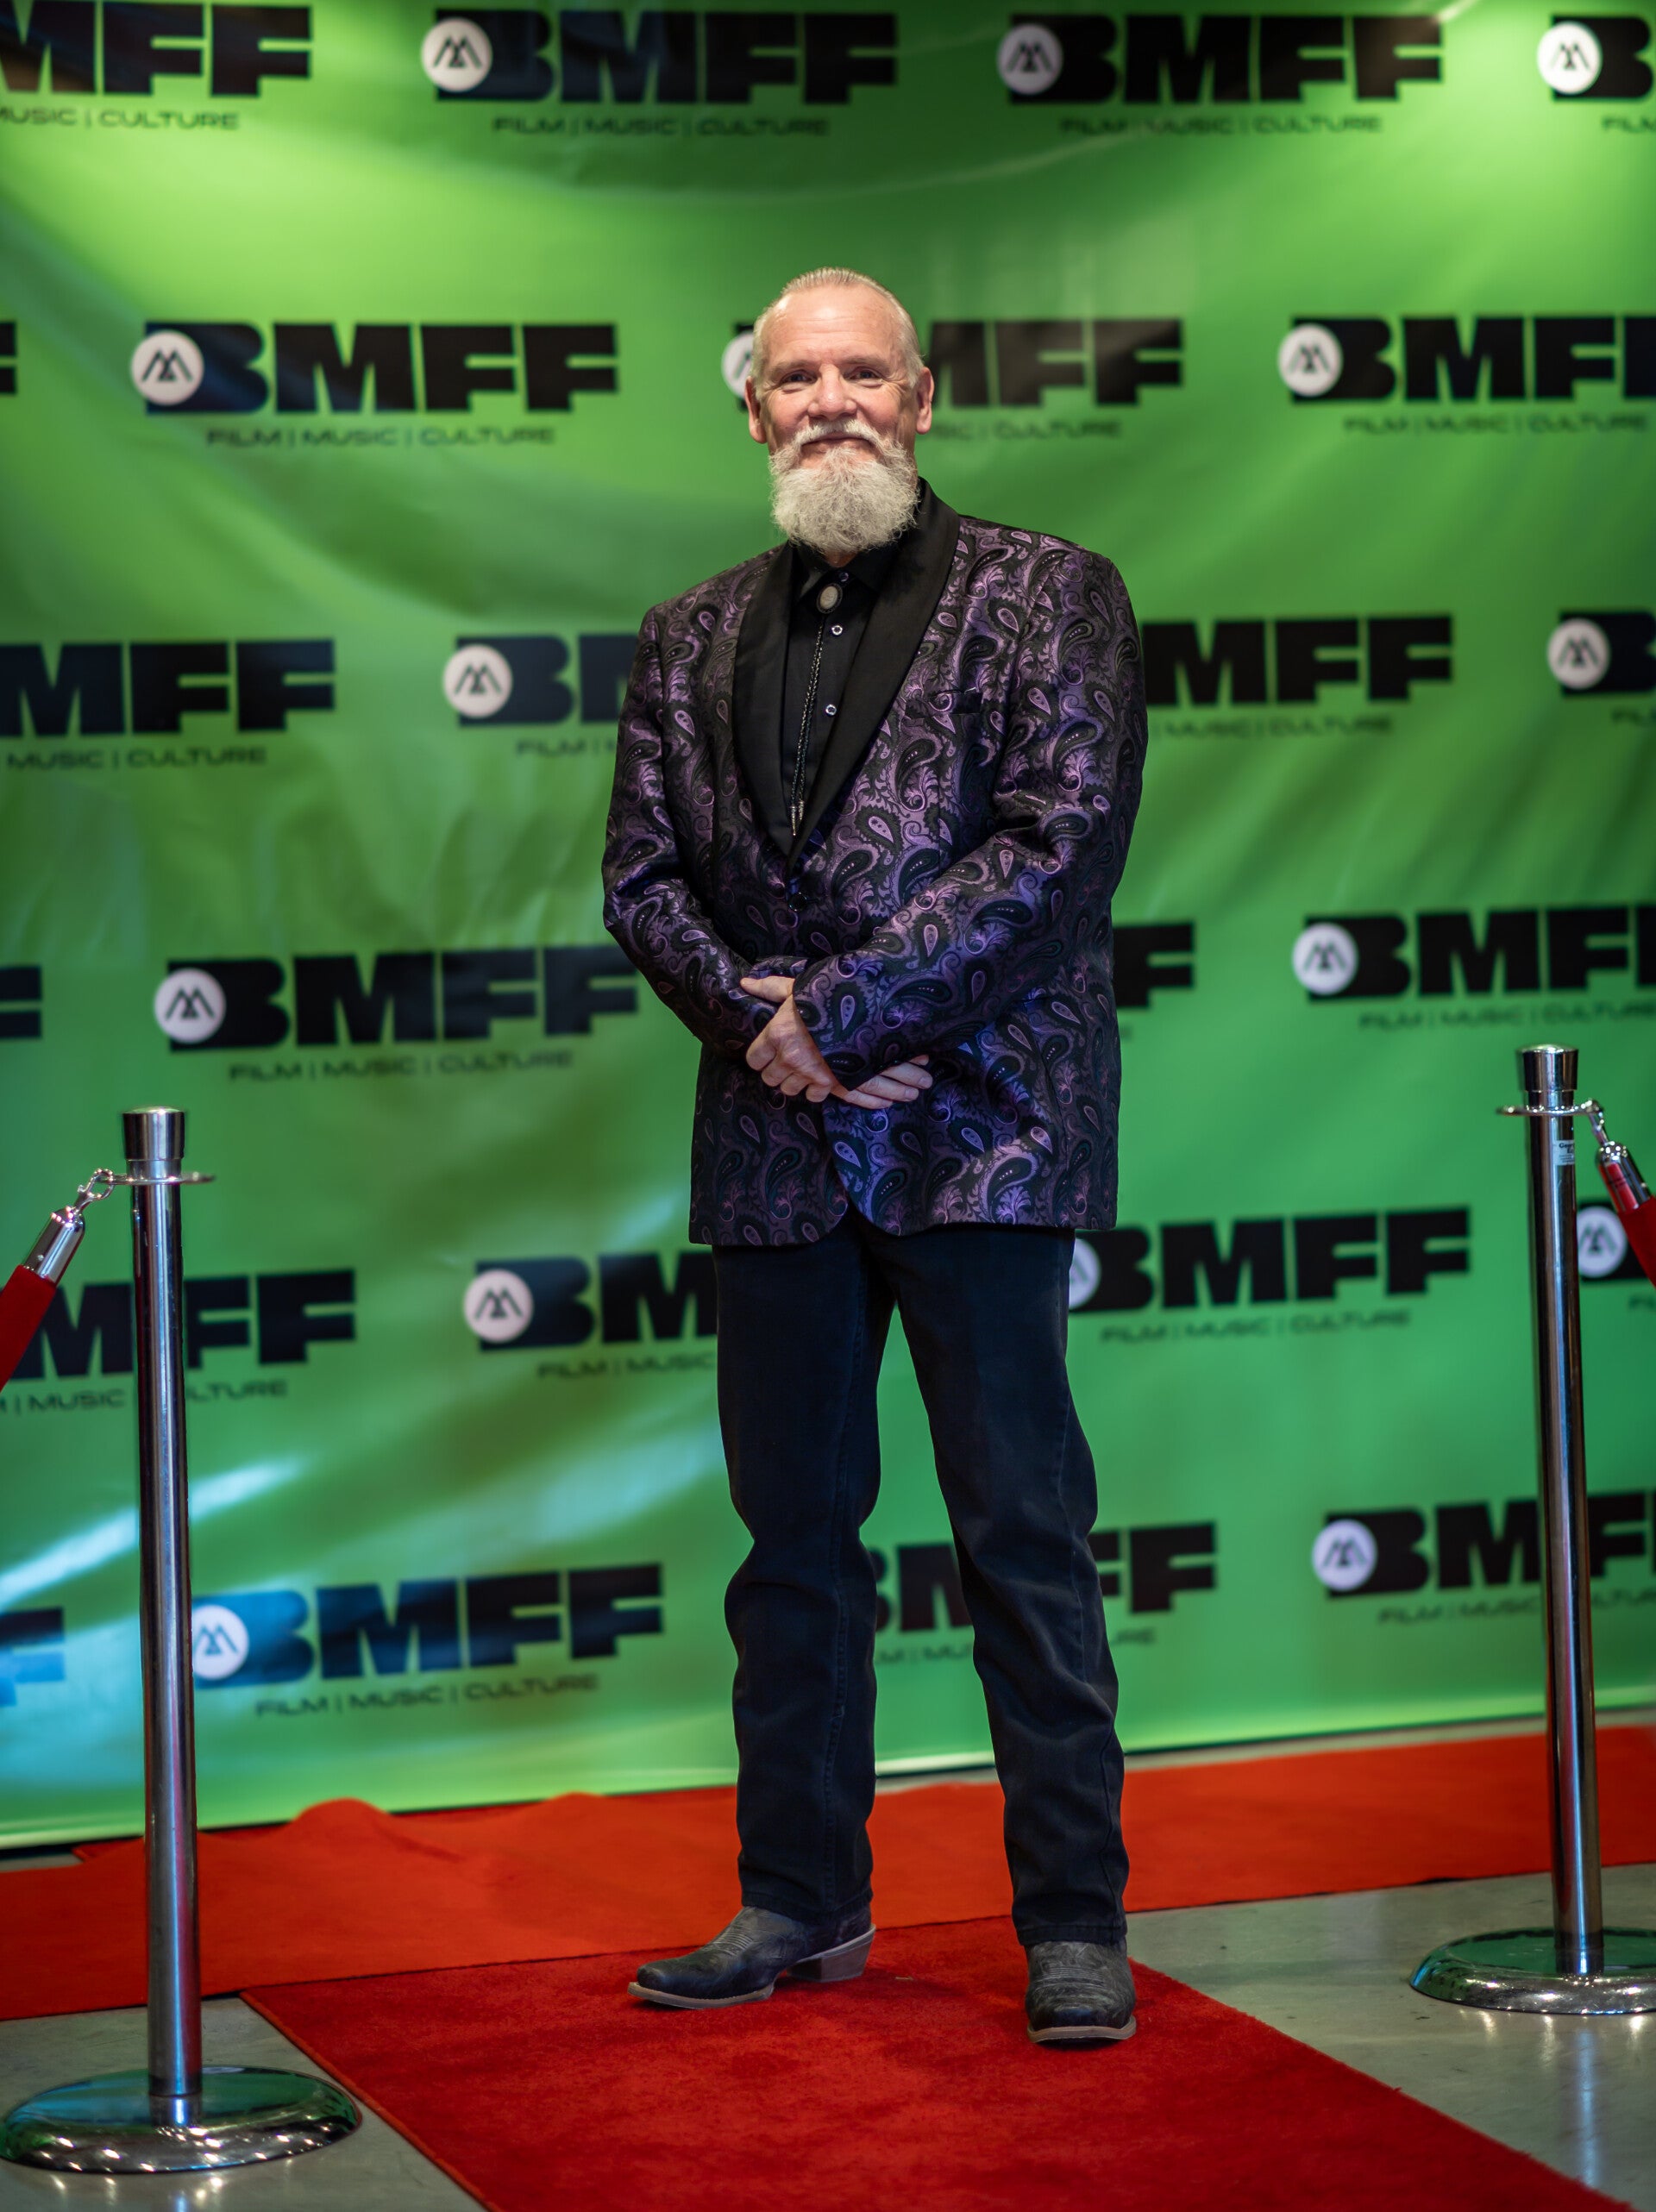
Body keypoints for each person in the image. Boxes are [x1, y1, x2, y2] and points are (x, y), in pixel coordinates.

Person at [602, 267, 1146, 2046]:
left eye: (863, 371)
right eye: (795, 375)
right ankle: (797, 1899)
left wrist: (835, 1012)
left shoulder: (1050, 592)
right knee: (792, 1552)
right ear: (751, 406)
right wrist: (770, 1028)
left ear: (921, 399)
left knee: (1022, 1536)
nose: (829, 398)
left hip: (984, 1137)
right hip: (774, 1150)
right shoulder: (685, 633)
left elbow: (1058, 846)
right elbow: (642, 880)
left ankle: (1073, 1920)